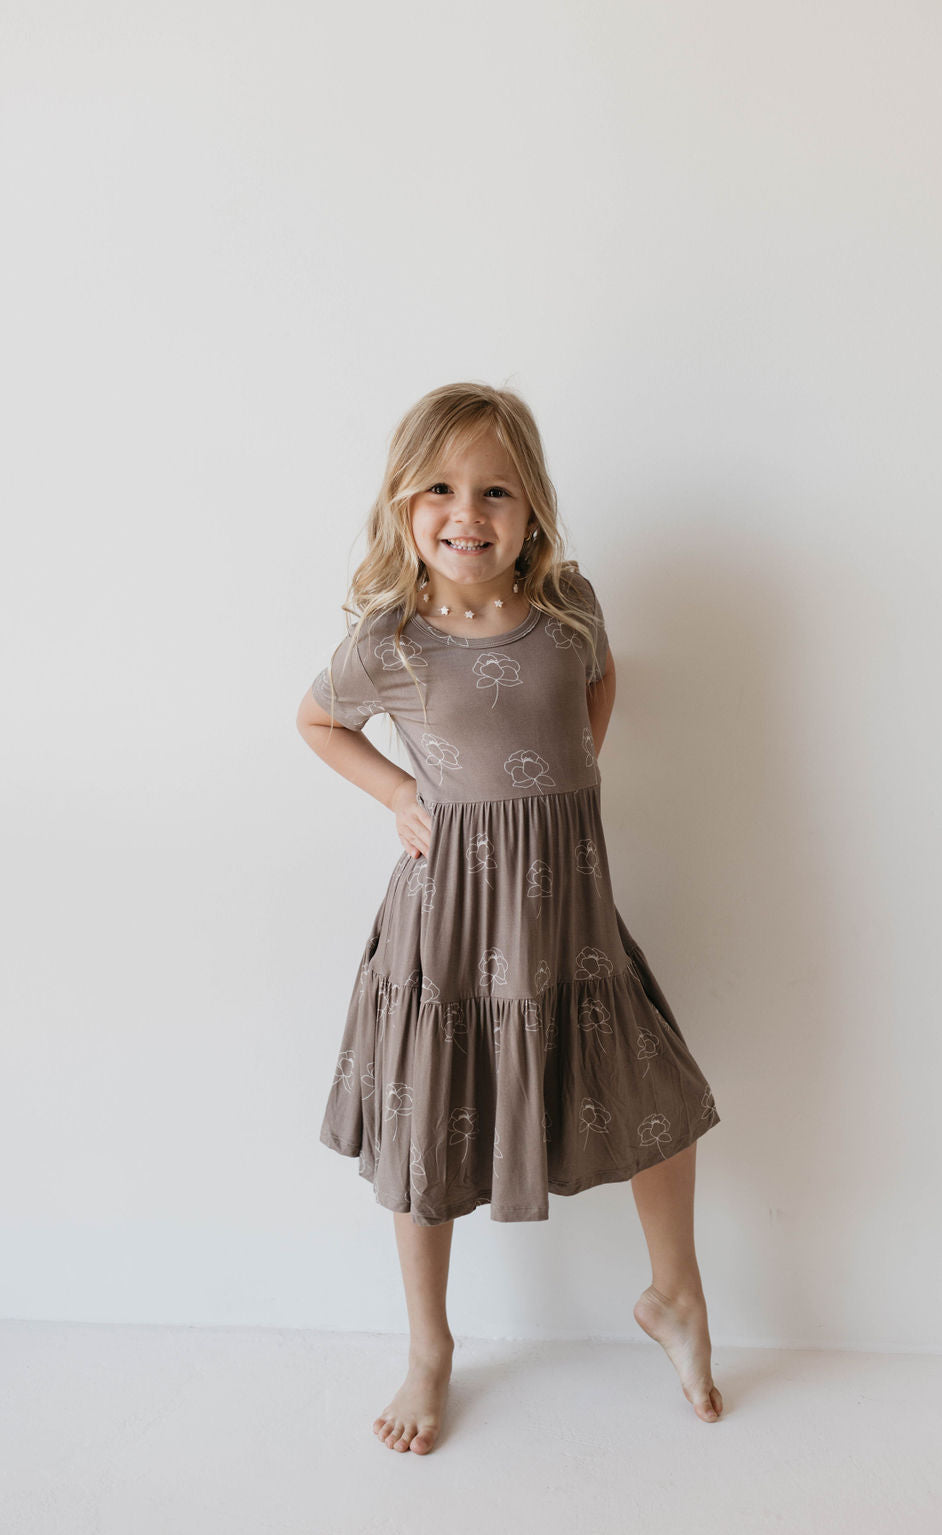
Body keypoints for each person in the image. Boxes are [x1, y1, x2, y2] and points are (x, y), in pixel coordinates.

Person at [296, 381, 724, 1454]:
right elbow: (315, 720)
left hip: (568, 923)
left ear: (532, 508)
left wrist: (569, 769)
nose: (465, 511)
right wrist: (399, 793)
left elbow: (601, 676)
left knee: (655, 1096)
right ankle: (429, 1345)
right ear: (402, 504)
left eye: (494, 490)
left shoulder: (571, 608)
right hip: (449, 929)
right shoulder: (390, 639)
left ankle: (674, 1292)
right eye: (438, 488)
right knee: (427, 1128)